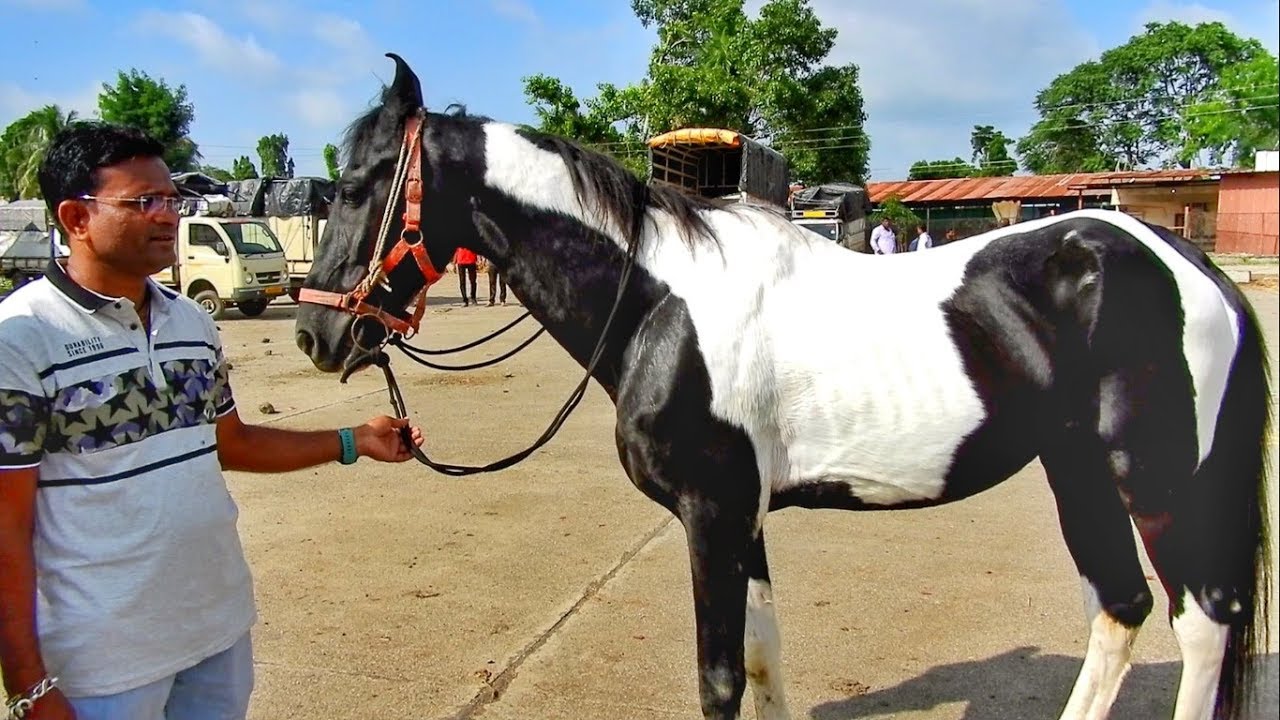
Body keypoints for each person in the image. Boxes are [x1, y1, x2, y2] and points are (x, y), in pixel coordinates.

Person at [0, 122, 425, 720]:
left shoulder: (190, 324)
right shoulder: (20, 339)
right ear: (75, 217)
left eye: (172, 199)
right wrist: (28, 686)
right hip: (102, 666)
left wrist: (355, 440)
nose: (167, 216)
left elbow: (231, 441)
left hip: (215, 634)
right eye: (144, 201)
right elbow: (5, 529)